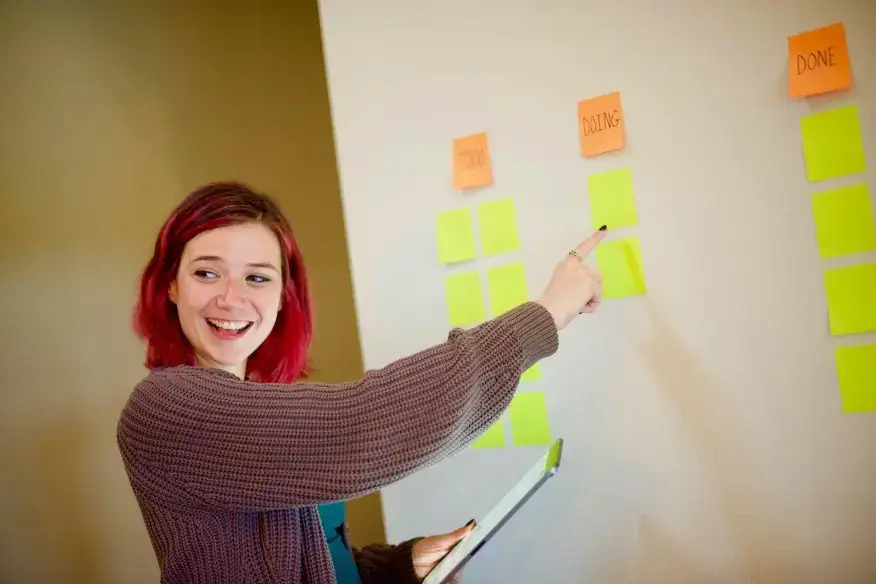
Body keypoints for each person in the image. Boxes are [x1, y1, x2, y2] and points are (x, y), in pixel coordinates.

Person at [116, 181, 605, 584]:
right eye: (207, 273)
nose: (231, 298)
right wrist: (546, 315)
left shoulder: (265, 402)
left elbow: (320, 556)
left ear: (284, 296)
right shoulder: (165, 408)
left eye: (257, 278)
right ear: (171, 285)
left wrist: (395, 566)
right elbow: (359, 424)